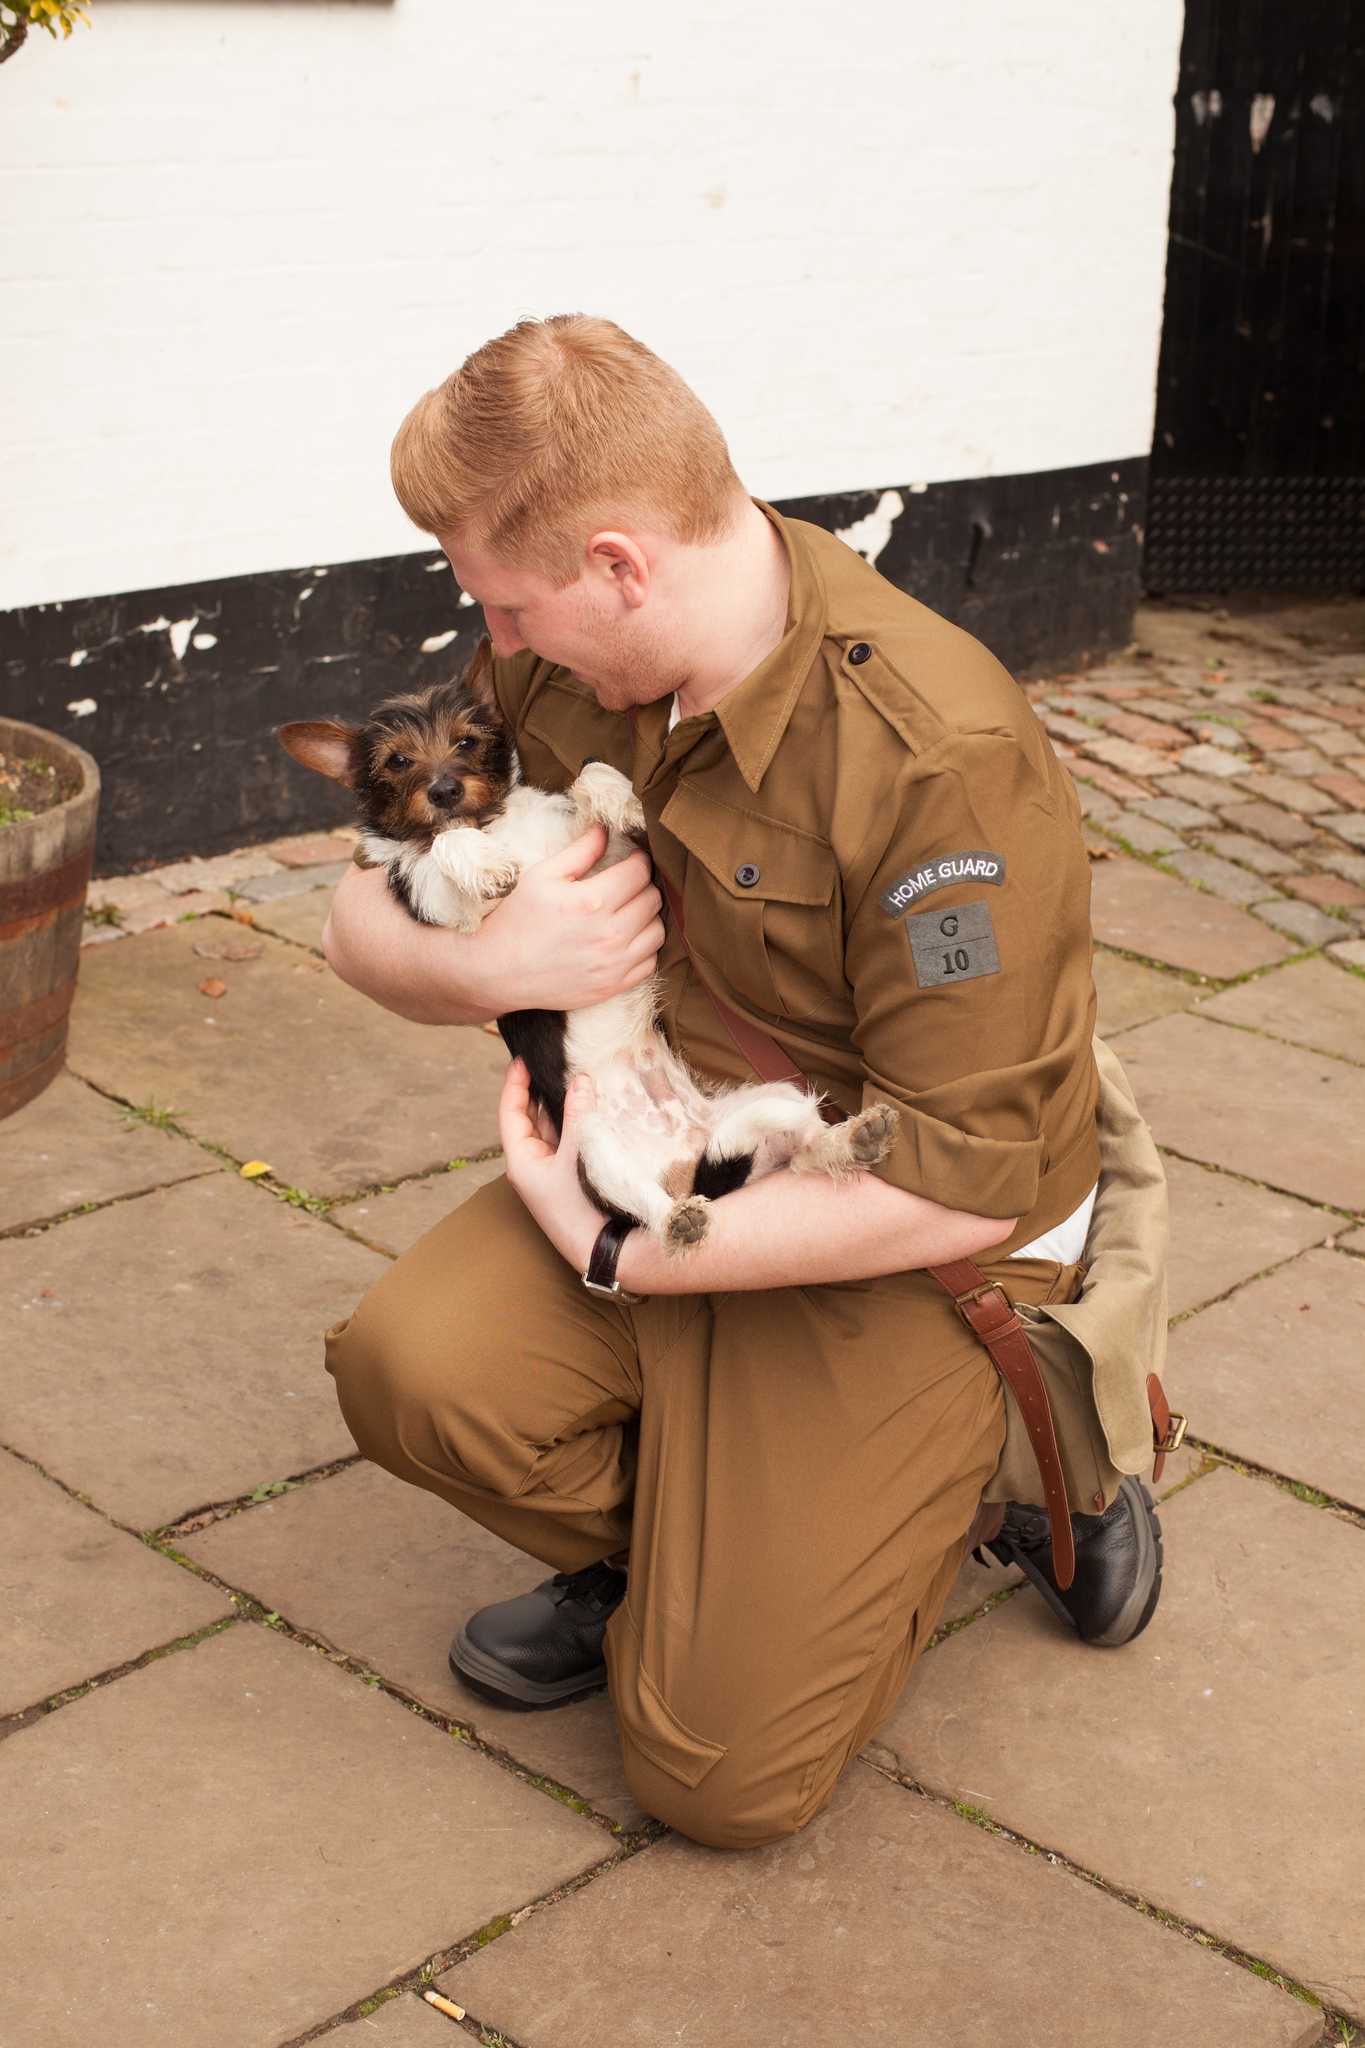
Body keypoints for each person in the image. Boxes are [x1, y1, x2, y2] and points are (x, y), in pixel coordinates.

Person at [321, 314, 1165, 1851]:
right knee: (410, 1374)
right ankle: (693, 1541)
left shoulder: (931, 750)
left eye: (506, 605)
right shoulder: (562, 663)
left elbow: (976, 1171)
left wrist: (611, 1253)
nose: (489, 645)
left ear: (621, 564)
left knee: (717, 1782)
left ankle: (1015, 1466)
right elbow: (358, 913)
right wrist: (482, 971)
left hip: (879, 1231)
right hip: (675, 1152)